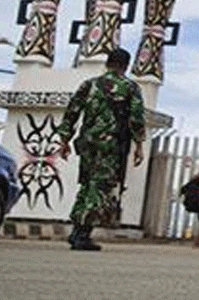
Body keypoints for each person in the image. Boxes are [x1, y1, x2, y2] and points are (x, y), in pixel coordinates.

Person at [54, 48, 146, 251]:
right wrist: (139, 144)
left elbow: (72, 111)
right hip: (110, 145)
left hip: (87, 143)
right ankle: (82, 234)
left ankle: (76, 230)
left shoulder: (89, 84)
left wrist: (64, 140)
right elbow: (136, 118)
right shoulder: (130, 87)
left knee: (87, 184)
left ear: (107, 63)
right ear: (126, 66)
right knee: (100, 186)